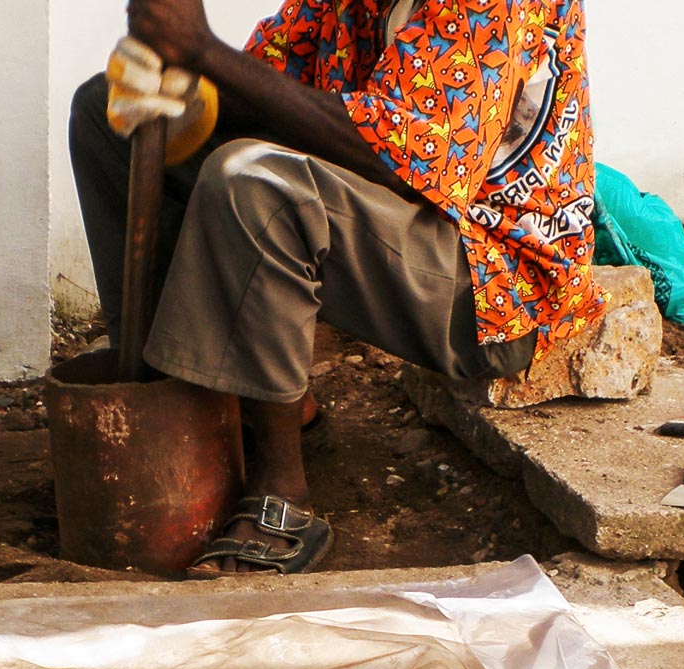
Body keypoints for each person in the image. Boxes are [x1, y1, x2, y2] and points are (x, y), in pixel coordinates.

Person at [69, 0, 605, 577]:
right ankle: (171, 410)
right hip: (399, 224)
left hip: (491, 283)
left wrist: (201, 48)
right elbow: (269, 87)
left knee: (255, 183)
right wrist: (187, 87)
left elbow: (408, 158)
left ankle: (283, 496)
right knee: (103, 112)